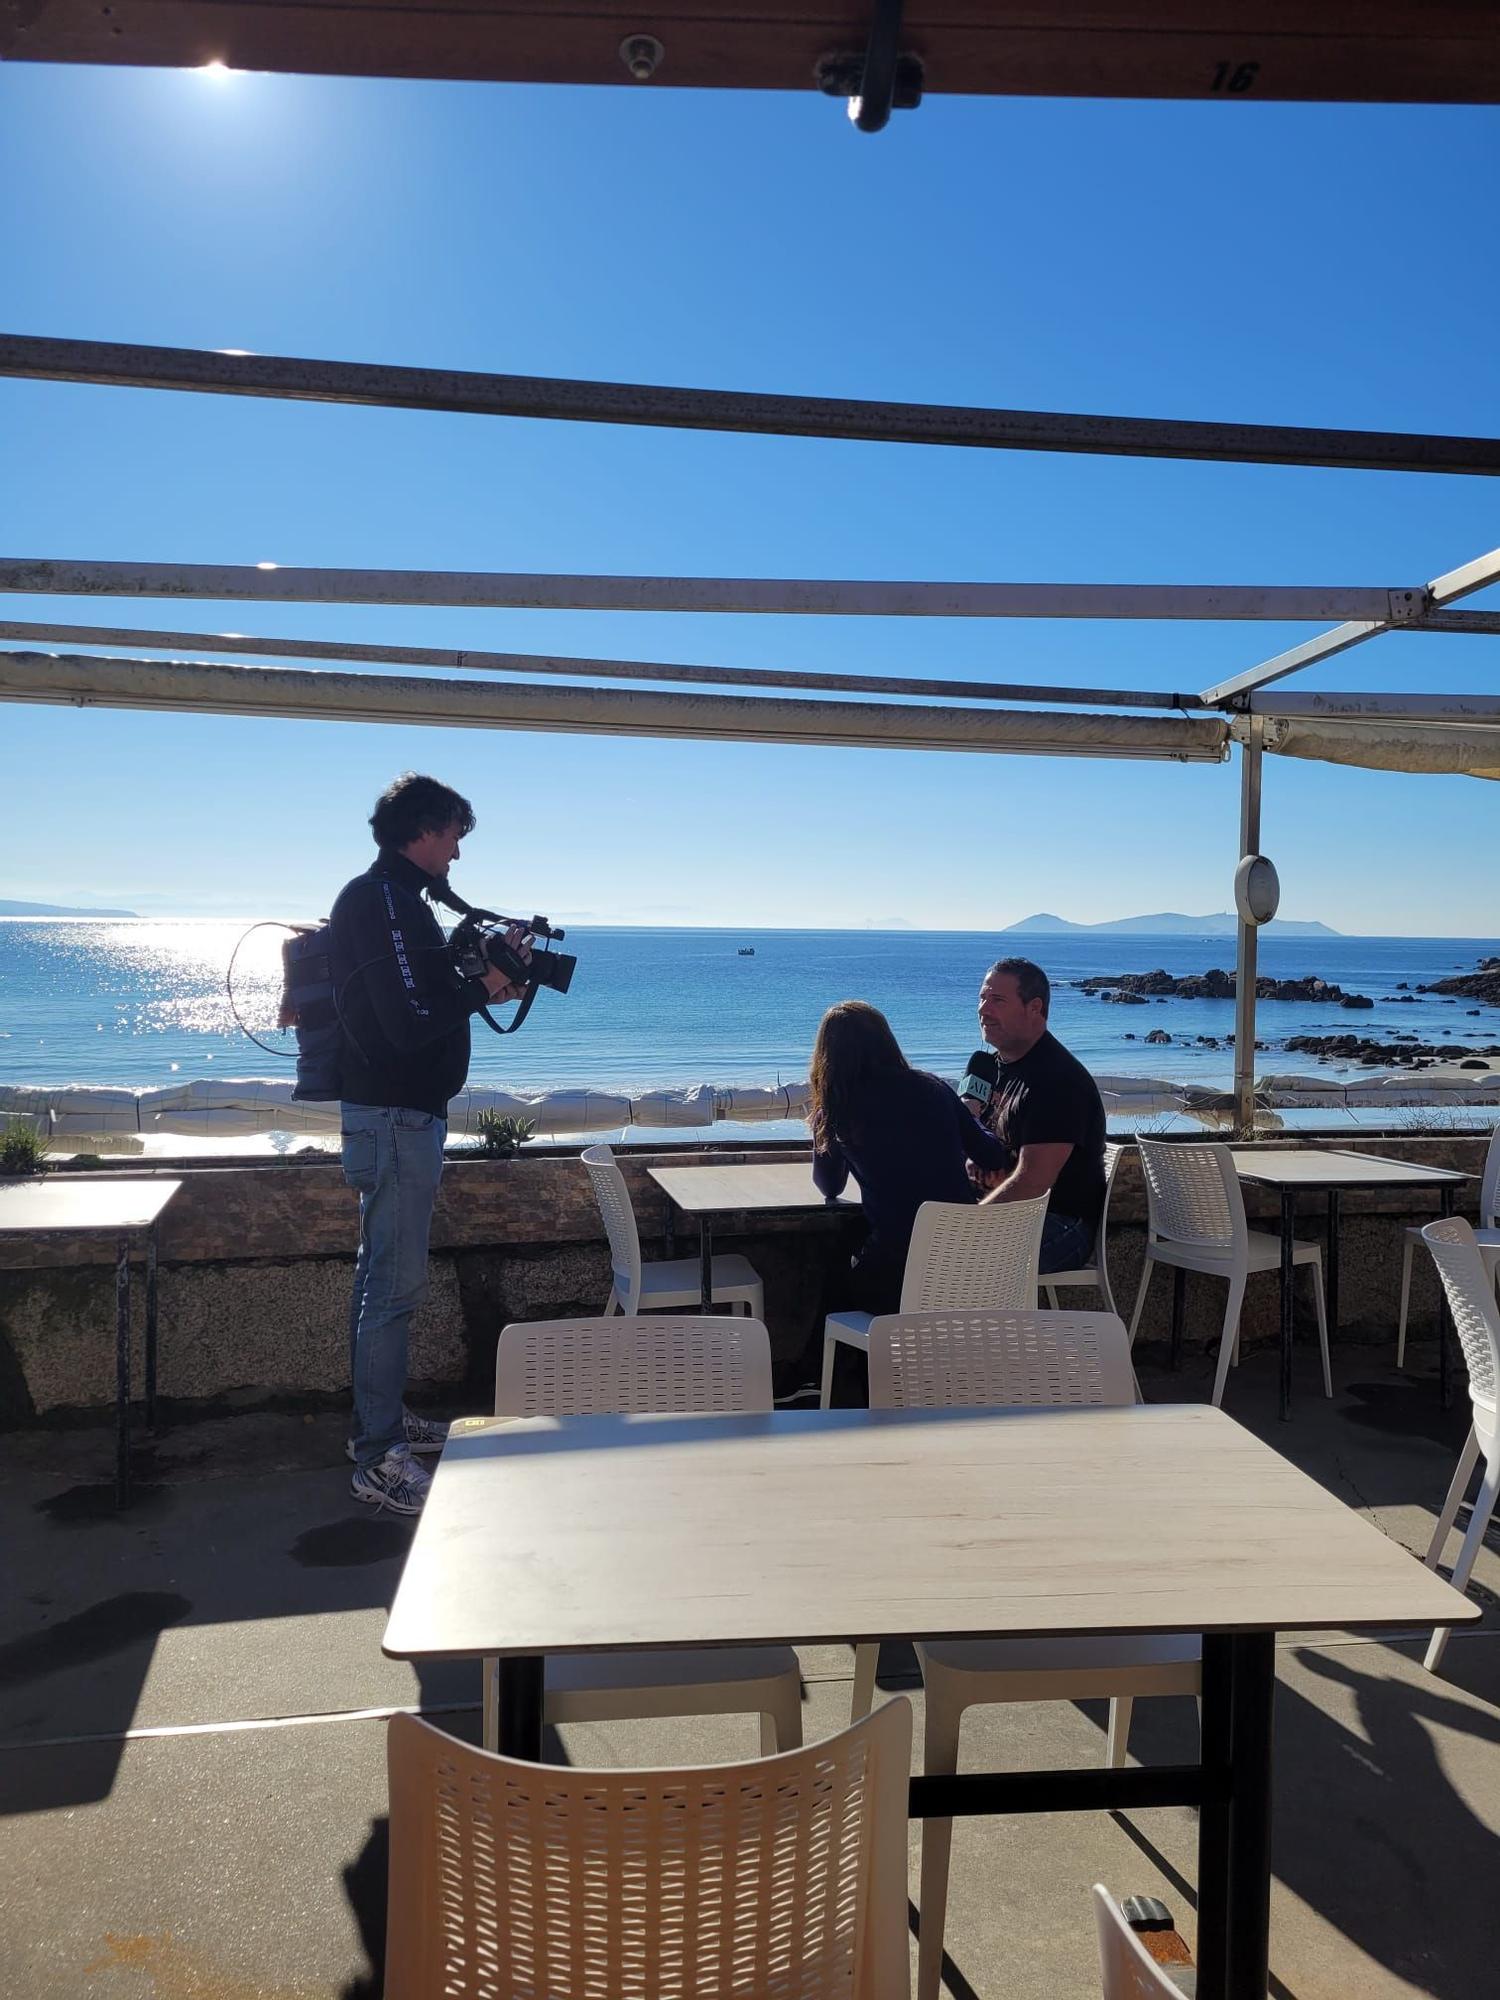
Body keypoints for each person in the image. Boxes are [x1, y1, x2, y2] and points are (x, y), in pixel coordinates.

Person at [330, 773, 529, 1515]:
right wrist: (488, 985)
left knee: (379, 1279)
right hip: (395, 1118)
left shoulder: (395, 903)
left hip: (399, 1116)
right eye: (451, 836)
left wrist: (479, 974)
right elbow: (411, 1021)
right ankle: (378, 1456)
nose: (456, 854)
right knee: (393, 1286)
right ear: (420, 830)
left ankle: (377, 1425)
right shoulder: (382, 901)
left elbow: (417, 1000)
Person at [809, 1000, 1013, 1317]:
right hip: (965, 1273)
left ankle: (832, 1361)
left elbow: (830, 1186)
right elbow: (991, 1153)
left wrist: (824, 1134)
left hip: (901, 1280)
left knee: (839, 1264)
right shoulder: (934, 1089)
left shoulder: (838, 1109)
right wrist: (970, 1111)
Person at [962, 957, 1107, 1273]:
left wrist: (966, 1229)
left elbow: (1032, 1183)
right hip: (995, 1212)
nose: (983, 1009)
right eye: (982, 998)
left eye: (997, 1000)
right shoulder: (988, 1068)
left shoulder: (1057, 1082)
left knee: (950, 1262)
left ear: (1035, 1008)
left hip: (1056, 1222)